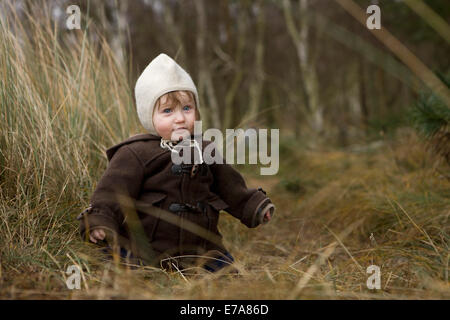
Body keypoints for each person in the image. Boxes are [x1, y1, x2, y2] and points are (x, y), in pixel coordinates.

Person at [78, 53, 275, 273]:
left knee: (231, 277)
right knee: (127, 269)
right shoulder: (136, 153)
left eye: (187, 108)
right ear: (148, 115)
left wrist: (254, 205)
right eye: (168, 111)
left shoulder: (205, 148)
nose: (180, 118)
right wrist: (100, 220)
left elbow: (231, 187)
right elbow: (112, 191)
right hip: (147, 249)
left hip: (203, 249)